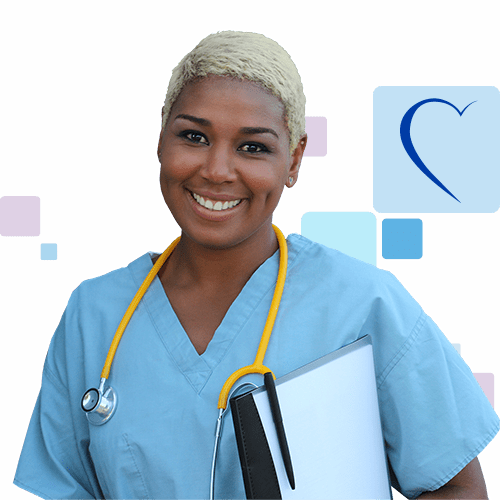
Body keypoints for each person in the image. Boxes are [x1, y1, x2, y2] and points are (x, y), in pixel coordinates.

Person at [12, 29, 499, 500]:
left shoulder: (364, 304)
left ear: (294, 161)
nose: (218, 170)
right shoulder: (94, 315)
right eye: (194, 136)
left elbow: (458, 489)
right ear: (162, 140)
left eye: (253, 147)